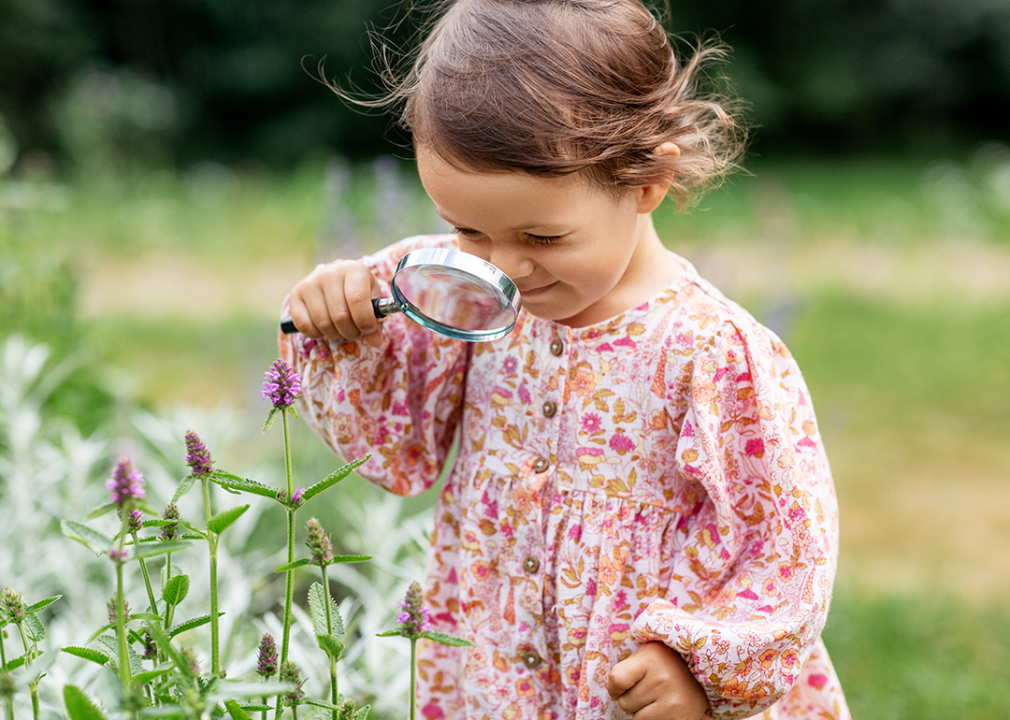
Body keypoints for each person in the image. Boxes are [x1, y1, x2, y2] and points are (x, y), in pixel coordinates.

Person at [279, 0, 850, 717]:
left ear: (647, 182)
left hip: (638, 695)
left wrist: (699, 671)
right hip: (496, 674)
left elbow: (782, 547)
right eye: (467, 229)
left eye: (542, 238)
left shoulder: (709, 352)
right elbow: (398, 452)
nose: (504, 266)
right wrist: (347, 326)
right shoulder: (460, 293)